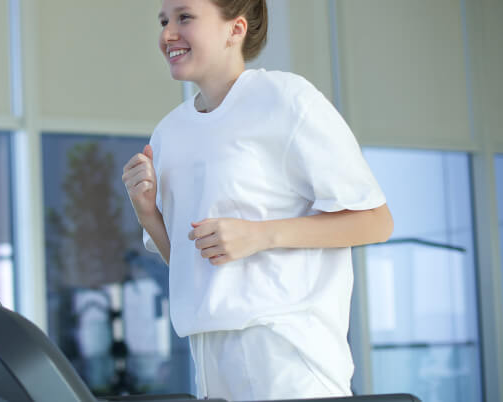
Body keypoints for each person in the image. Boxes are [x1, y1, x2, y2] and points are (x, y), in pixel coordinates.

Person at [121, 0, 394, 400]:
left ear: (236, 29)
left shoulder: (285, 99)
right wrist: (147, 213)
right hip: (209, 358)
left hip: (287, 356)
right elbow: (188, 264)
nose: (167, 34)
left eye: (185, 18)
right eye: (164, 21)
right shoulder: (168, 133)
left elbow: (375, 220)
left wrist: (259, 235)